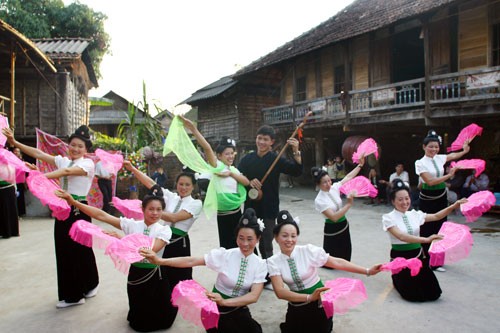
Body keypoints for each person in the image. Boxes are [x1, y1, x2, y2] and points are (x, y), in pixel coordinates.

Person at [3, 125, 99, 308]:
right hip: (63, 208)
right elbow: (38, 154)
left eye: (80, 146)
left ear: (86, 150)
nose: (76, 149)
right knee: (66, 250)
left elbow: (67, 173)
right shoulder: (64, 161)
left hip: (79, 208)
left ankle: (76, 295)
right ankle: (88, 285)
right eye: (73, 145)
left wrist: (40, 177)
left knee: (80, 250)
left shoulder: (87, 164)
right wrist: (15, 142)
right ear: (68, 145)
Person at [57, 186, 175, 332]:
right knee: (138, 312)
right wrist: (74, 203)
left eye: (159, 209)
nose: (155, 213)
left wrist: (122, 239)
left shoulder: (164, 230)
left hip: (155, 274)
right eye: (151, 209)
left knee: (158, 311)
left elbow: (151, 250)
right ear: (143, 209)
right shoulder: (132, 225)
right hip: (136, 272)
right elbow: (102, 216)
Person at [141, 208, 267, 333]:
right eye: (241, 238)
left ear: (258, 239)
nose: (245, 243)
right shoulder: (225, 255)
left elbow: (254, 296)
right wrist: (160, 261)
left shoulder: (260, 264)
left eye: (250, 239)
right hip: (214, 307)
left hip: (238, 307)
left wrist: (225, 301)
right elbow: (192, 261)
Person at [267, 210, 381, 333]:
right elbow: (280, 292)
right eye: (284, 235)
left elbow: (337, 262)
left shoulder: (307, 251)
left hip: (320, 302)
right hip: (297, 304)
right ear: (276, 237)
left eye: (293, 236)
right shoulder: (274, 261)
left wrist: (368, 271)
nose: (289, 240)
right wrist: (309, 297)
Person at [123, 161, 202, 295]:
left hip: (178, 242)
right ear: (176, 184)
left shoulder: (196, 203)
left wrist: (150, 211)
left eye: (187, 184)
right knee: (161, 270)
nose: (183, 187)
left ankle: (179, 300)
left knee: (179, 272)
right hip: (161, 238)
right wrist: (132, 169)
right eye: (180, 184)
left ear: (193, 187)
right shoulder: (171, 197)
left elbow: (175, 218)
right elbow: (151, 184)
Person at [382, 179, 467, 302]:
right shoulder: (388, 218)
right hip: (401, 258)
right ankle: (397, 276)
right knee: (412, 296)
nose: (404, 202)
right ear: (392, 201)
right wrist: (426, 240)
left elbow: (437, 216)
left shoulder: (415, 214)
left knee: (434, 293)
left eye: (407, 198)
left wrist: (454, 206)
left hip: (418, 257)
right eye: (400, 199)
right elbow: (401, 236)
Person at [178, 116, 250, 249]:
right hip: (223, 214)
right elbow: (207, 148)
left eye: (232, 153)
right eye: (226, 154)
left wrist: (231, 174)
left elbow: (246, 182)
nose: (230, 156)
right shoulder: (217, 166)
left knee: (241, 245)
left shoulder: (233, 169)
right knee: (226, 247)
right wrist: (193, 129)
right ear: (219, 156)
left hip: (237, 212)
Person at [238, 124, 303, 259]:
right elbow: (238, 176)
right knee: (247, 240)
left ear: (272, 142)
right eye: (259, 138)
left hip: (269, 206)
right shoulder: (247, 159)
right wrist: (248, 182)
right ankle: (252, 265)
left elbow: (296, 171)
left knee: (266, 243)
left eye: (265, 139)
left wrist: (296, 150)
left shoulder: (276, 159)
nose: (261, 142)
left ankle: (269, 272)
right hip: (251, 206)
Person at [415, 130, 470, 272]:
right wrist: (449, 175)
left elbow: (453, 155)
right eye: (431, 146)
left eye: (436, 146)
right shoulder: (420, 163)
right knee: (427, 228)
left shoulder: (440, 158)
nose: (434, 149)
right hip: (427, 198)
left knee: (441, 227)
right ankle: (426, 258)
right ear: (424, 147)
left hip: (441, 196)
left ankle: (437, 260)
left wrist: (464, 151)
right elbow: (430, 181)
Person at [312, 155, 365, 262]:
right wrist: (348, 204)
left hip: (344, 225)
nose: (328, 184)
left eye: (329, 180)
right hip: (332, 228)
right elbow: (334, 217)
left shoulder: (334, 187)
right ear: (318, 184)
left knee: (345, 254)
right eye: (324, 182)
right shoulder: (319, 200)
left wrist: (360, 165)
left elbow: (348, 177)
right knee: (332, 258)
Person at [0, 148, 19, 238]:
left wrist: (15, 188)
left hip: (9, 188)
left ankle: (12, 231)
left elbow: (13, 177)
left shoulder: (10, 164)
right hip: (2, 189)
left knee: (10, 210)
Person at [12, 147, 26, 217]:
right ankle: (15, 214)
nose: (16, 152)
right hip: (12, 181)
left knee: (20, 198)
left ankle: (20, 213)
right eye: (15, 151)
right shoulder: (10, 160)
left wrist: (25, 183)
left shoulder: (22, 161)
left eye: (17, 151)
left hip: (20, 182)